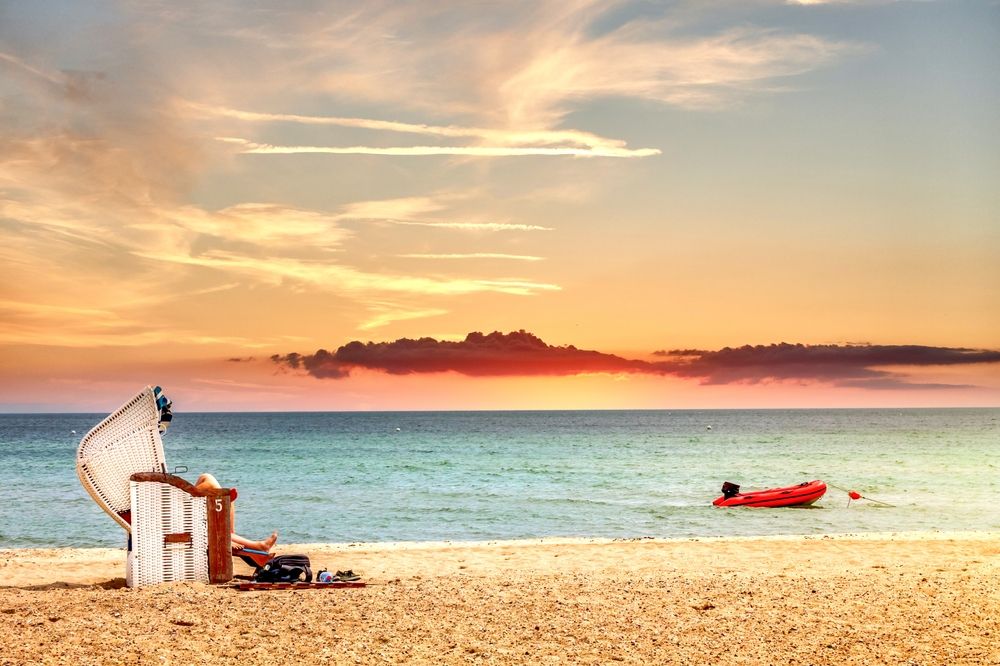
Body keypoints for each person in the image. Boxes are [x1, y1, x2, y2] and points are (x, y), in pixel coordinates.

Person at [194, 473, 278, 552]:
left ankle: (230, 535)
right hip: (188, 513)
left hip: (187, 507)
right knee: (211, 483)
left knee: (207, 479)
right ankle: (256, 545)